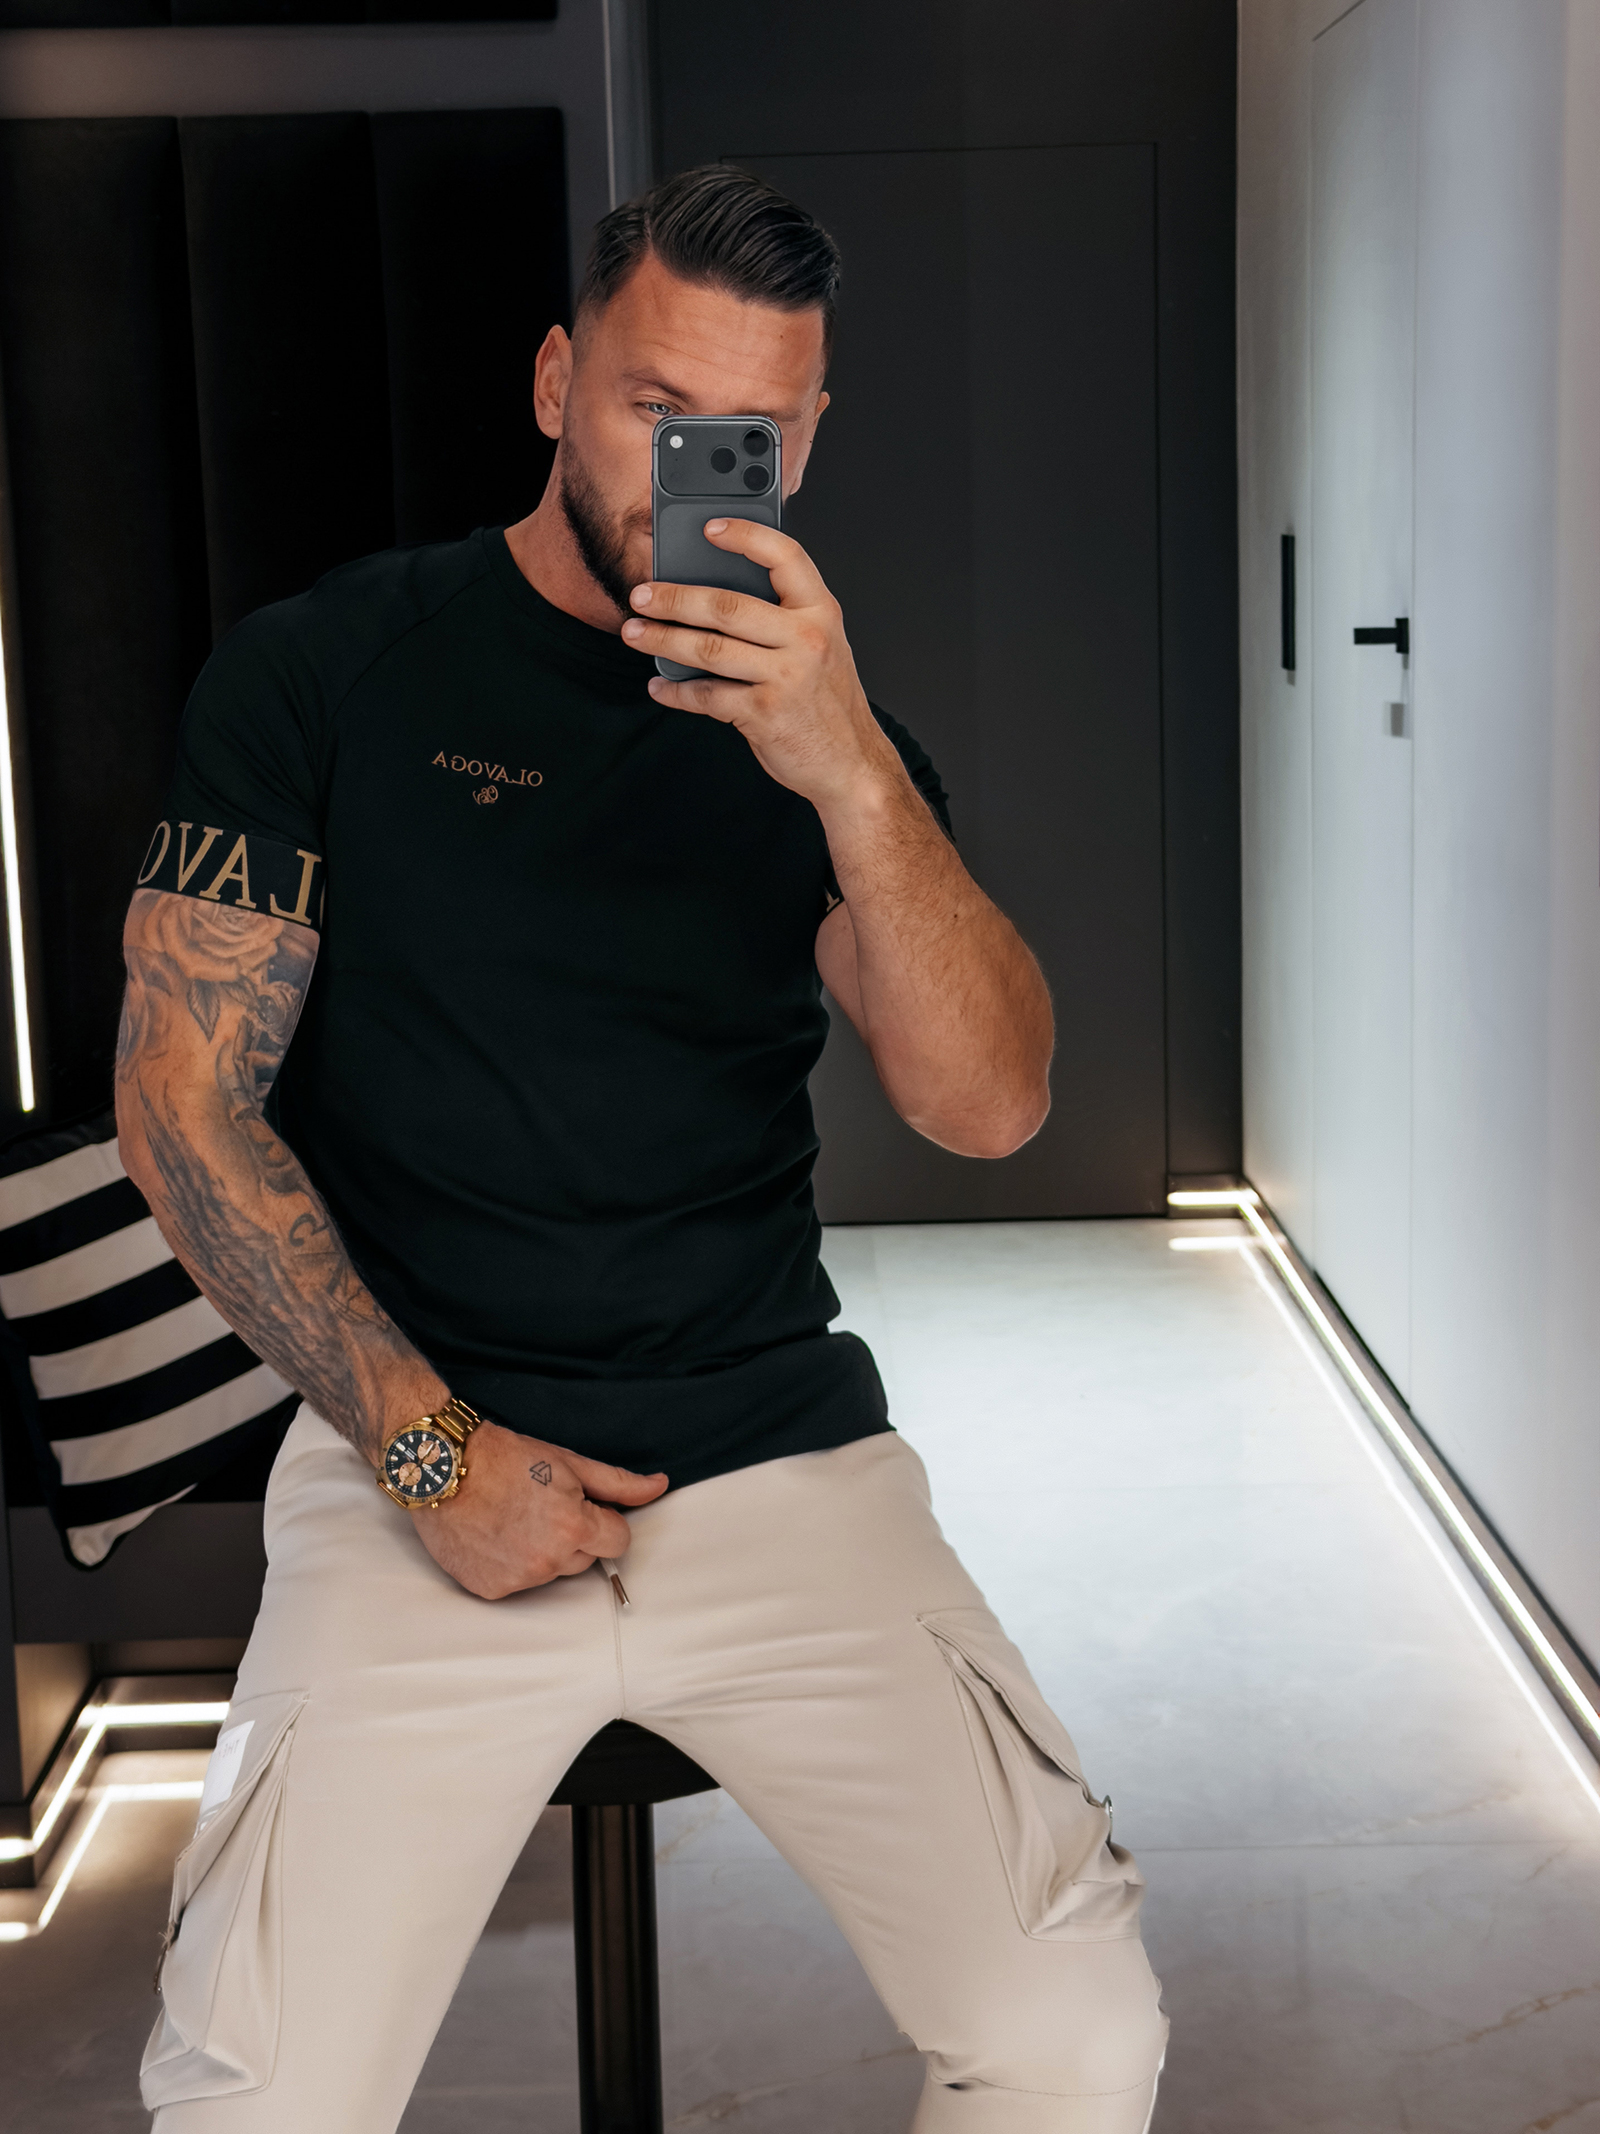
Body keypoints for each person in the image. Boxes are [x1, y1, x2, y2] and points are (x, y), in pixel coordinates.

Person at [117, 164, 1168, 2131]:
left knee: (1072, 2034)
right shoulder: (325, 671)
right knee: (250, 2102)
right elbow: (179, 1100)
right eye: (652, 405)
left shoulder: (827, 740)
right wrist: (428, 1451)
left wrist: (852, 775)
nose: (692, 465)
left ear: (807, 437)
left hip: (771, 1454)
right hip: (419, 1455)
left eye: (745, 431)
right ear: (552, 381)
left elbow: (989, 1102)